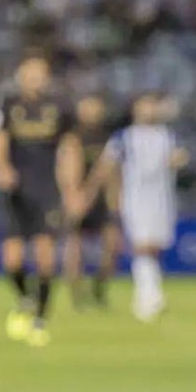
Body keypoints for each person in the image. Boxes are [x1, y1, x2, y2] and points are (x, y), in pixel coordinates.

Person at [0, 55, 82, 347]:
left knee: (44, 254)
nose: (35, 79)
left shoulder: (60, 108)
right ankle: (25, 298)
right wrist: (2, 170)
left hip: (46, 189)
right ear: (20, 74)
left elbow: (70, 149)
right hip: (15, 190)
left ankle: (40, 319)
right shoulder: (7, 104)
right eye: (30, 73)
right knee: (12, 258)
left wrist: (72, 189)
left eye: (40, 74)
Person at [78, 93, 185, 322]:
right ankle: (148, 297)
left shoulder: (167, 135)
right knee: (141, 246)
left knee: (154, 247)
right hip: (135, 198)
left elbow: (178, 157)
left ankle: (149, 294)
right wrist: (94, 191)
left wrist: (178, 160)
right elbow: (106, 165)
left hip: (162, 198)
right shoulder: (124, 137)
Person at [64, 94, 121, 308]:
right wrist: (74, 197)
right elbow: (67, 170)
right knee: (75, 248)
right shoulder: (74, 137)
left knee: (112, 245)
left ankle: (99, 288)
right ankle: (77, 295)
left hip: (102, 201)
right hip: (79, 197)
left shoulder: (108, 138)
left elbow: (113, 171)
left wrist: (115, 198)